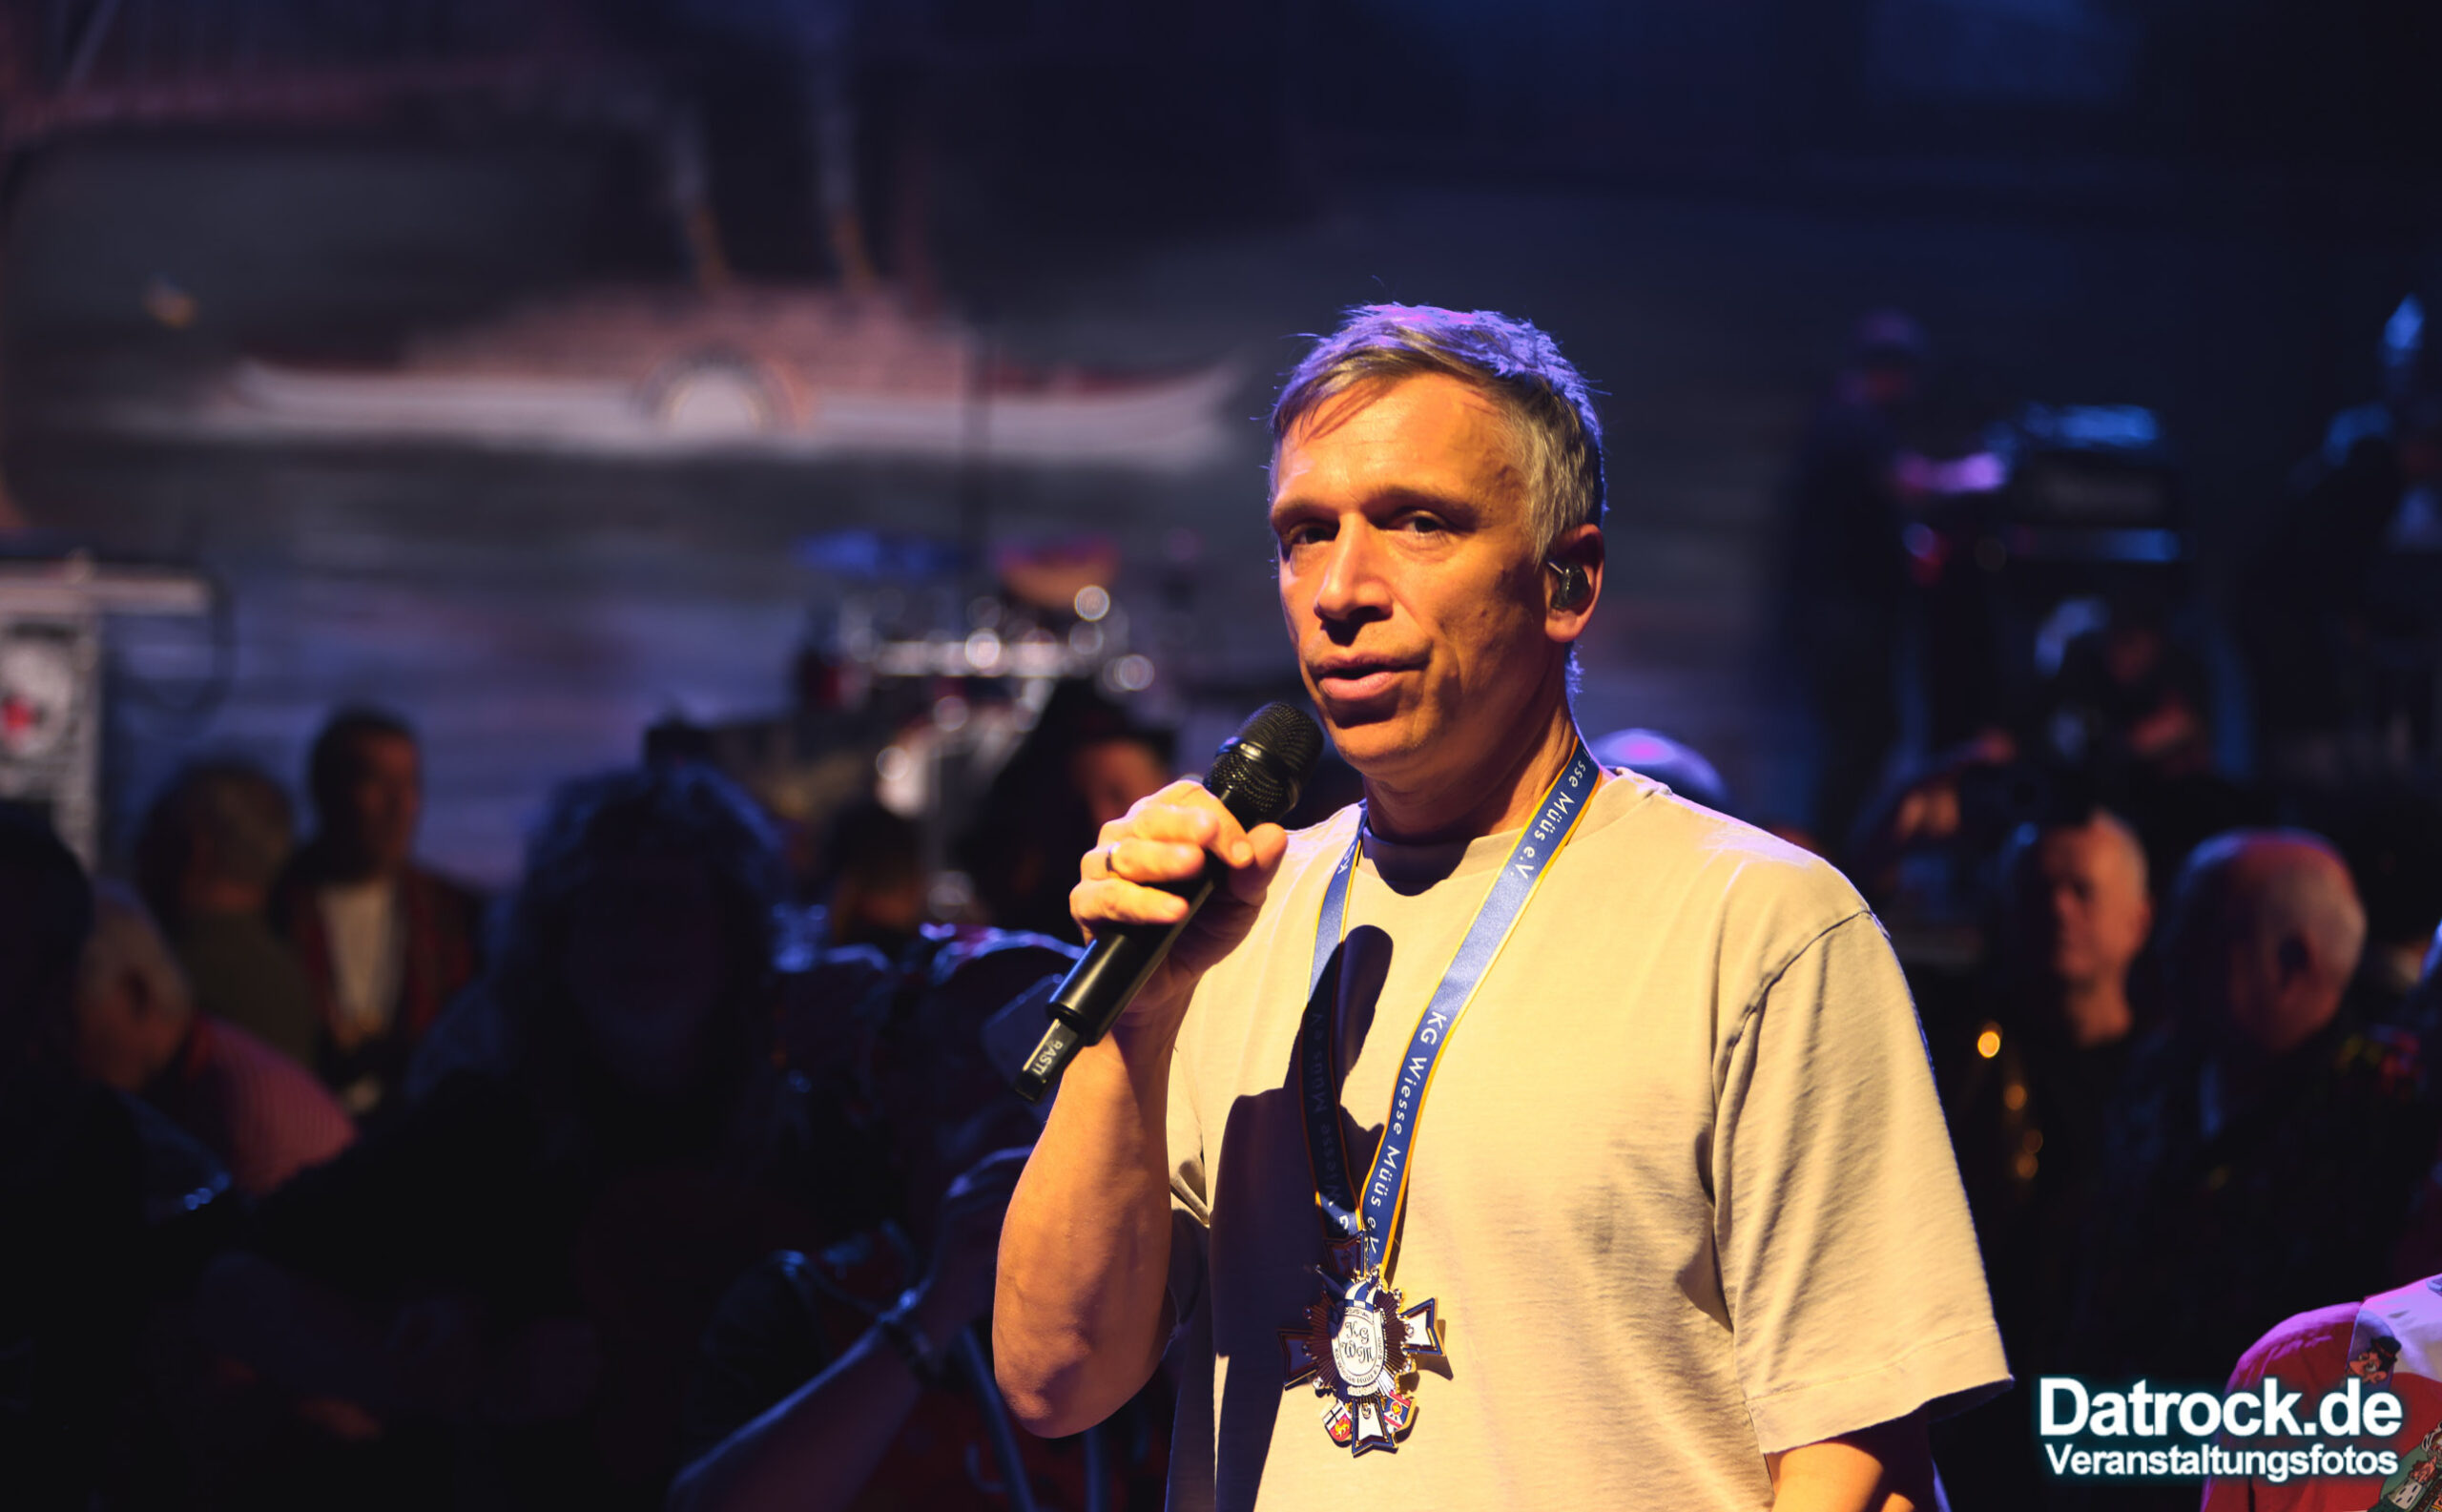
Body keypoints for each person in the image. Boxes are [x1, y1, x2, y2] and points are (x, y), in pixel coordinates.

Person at [993, 305, 2008, 1509]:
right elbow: (1053, 1378)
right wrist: (1131, 1031)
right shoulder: (1224, 928)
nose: (1341, 590)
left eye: (1417, 522)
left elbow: (1855, 1461)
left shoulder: (1760, 928)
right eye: (1305, 534)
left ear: (1566, 580)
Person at [204, 764, 826, 1511]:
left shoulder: (819, 1129)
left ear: (737, 935)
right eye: (608, 907)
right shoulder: (487, 1129)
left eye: (669, 906)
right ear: (556, 938)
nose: (638, 938)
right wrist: (453, 1383)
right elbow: (235, 1283)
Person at [2067, 832, 2439, 1413]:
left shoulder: (2395, 1111)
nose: (2167, 951)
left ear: (2293, 962)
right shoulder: (2157, 1075)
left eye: (2200, 932)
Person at [72, 883, 355, 1199]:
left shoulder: (245, 1119)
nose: (50, 1042)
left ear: (135, 994)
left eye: (67, 1018)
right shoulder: (200, 1067)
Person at [274, 707, 485, 1121]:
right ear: (326, 792)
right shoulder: (275, 906)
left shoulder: (455, 916)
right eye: (376, 782)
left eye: (410, 784)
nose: (400, 805)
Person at [132, 760, 320, 1067]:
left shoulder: (166, 977)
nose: (138, 849)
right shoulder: (291, 973)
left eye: (154, 831)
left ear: (196, 851)